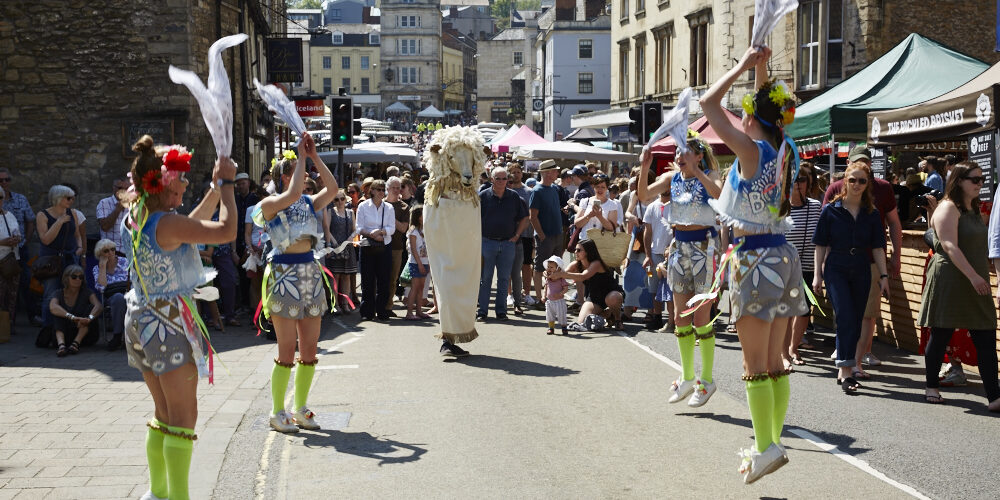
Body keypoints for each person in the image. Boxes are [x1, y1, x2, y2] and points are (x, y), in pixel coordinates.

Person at [700, 46, 809, 483]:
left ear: (750, 119)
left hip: (754, 260)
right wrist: (761, 69)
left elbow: (708, 105)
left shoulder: (750, 151)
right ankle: (770, 441)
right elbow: (765, 100)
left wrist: (741, 68)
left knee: (754, 365)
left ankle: (765, 446)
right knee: (777, 362)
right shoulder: (788, 150)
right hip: (784, 257)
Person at [121, 136, 237, 500]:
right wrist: (229, 188)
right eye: (182, 179)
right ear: (166, 183)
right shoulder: (166, 224)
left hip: (141, 319)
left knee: (164, 414)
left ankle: (157, 494)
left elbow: (187, 225)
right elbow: (226, 232)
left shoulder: (137, 216)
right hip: (168, 325)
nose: (187, 184)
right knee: (184, 420)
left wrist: (215, 191)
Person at [256, 136, 338, 433]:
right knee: (287, 349)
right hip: (283, 276)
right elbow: (290, 194)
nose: (306, 178)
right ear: (286, 176)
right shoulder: (269, 204)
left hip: (310, 273)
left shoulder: (308, 201)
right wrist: (302, 159)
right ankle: (277, 411)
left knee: (310, 350)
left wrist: (314, 156)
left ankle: (301, 408)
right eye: (300, 173)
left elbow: (333, 189)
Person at [637, 131, 723, 407]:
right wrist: (645, 166)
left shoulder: (709, 175)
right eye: (677, 152)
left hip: (705, 249)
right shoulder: (671, 179)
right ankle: (688, 377)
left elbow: (719, 195)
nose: (679, 156)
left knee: (701, 319)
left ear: (698, 155)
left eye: (685, 152)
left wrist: (699, 172)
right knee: (680, 318)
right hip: (679, 250)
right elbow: (643, 194)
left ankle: (707, 379)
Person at [923, 161, 999, 411]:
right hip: (952, 278)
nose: (980, 184)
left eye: (982, 180)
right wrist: (974, 277)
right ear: (959, 181)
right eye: (974, 180)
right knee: (941, 331)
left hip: (974, 277)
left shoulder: (974, 208)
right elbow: (949, 246)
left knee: (986, 334)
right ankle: (931, 386)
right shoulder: (948, 207)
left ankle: (994, 397)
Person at [822, 146, 902, 373]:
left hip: (871, 262)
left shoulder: (883, 189)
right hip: (839, 262)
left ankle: (857, 360)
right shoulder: (835, 188)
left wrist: (896, 255)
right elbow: (825, 232)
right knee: (845, 311)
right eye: (858, 162)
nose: (858, 181)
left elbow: (894, 223)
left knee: (867, 314)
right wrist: (823, 266)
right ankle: (847, 355)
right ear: (848, 164)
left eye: (866, 163)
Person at [812, 162, 889, 392]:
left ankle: (851, 364)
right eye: (852, 180)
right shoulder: (831, 210)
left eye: (862, 181)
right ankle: (846, 370)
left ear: (868, 185)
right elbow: (820, 244)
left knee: (856, 319)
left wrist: (884, 275)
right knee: (845, 315)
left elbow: (877, 248)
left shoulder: (872, 213)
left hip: (861, 267)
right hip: (836, 266)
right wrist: (817, 274)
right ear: (845, 181)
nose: (856, 185)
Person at [477, 166, 530, 321]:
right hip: (487, 242)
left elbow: (525, 218)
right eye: (498, 178)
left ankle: (501, 311)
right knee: (485, 278)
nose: (501, 181)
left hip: (508, 244)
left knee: (504, 278)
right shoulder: (482, 196)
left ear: (508, 180)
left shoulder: (514, 197)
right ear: (492, 179)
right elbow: (473, 219)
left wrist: (517, 235)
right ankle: (482, 311)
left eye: (504, 178)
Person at [783, 167, 822, 367]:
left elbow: (821, 240)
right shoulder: (781, 208)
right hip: (784, 269)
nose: (798, 183)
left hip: (807, 267)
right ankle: (783, 354)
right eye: (793, 180)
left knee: (804, 310)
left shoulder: (815, 207)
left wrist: (819, 271)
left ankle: (794, 348)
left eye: (802, 180)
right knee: (786, 311)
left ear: (809, 183)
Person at [36, 185, 85, 331]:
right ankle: (49, 329)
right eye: (68, 197)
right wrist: (59, 222)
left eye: (72, 197)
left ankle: (69, 328)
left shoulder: (73, 213)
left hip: (70, 258)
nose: (72, 200)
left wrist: (80, 248)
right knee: (51, 294)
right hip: (51, 261)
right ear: (58, 198)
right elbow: (45, 239)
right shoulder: (43, 215)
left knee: (73, 292)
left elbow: (77, 234)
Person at [556, 239, 624, 330]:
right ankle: (607, 314)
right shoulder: (576, 264)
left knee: (613, 298)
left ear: (588, 252)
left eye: (579, 250)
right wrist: (550, 273)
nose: (575, 252)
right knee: (582, 322)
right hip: (594, 297)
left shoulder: (597, 263)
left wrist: (561, 274)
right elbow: (562, 274)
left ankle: (617, 319)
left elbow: (583, 276)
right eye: (575, 250)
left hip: (611, 293)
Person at [355, 179, 395, 321]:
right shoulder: (363, 206)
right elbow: (359, 227)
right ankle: (367, 312)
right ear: (371, 190)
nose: (381, 192)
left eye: (383, 189)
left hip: (384, 245)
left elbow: (392, 228)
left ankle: (382, 310)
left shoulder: (389, 207)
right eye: (378, 189)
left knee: (384, 280)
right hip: (367, 245)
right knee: (367, 280)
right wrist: (371, 234)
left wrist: (382, 232)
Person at [0, 169, 34, 324]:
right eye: (1, 180)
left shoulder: (14, 208)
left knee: (19, 288)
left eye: (7, 179)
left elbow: (28, 222)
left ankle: (13, 323)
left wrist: (21, 239)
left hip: (16, 254)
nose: (4, 183)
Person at [529, 160, 564, 304]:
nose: (557, 173)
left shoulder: (554, 188)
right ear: (548, 172)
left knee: (555, 267)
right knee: (539, 268)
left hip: (557, 234)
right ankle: (539, 298)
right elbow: (533, 217)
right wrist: (542, 236)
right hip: (546, 237)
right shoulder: (537, 191)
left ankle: (550, 295)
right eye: (555, 170)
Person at [50, 265, 101, 356]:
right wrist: (72, 317)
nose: (78, 279)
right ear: (66, 278)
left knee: (90, 309)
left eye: (80, 277)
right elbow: (53, 307)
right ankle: (61, 346)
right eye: (74, 277)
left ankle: (76, 343)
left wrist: (89, 318)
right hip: (65, 332)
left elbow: (98, 306)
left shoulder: (87, 292)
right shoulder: (58, 293)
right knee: (58, 314)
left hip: (85, 335)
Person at [642, 188, 674, 333]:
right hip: (655, 254)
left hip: (674, 253)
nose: (665, 190)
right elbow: (647, 233)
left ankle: (673, 320)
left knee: (673, 288)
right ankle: (657, 316)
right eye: (664, 186)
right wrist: (648, 255)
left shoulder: (677, 205)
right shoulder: (652, 207)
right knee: (653, 286)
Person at [324, 191, 358, 314]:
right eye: (336, 199)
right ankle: (335, 304)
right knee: (335, 276)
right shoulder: (330, 212)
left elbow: (355, 229)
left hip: (347, 247)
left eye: (342, 199)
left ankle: (345, 303)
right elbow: (327, 228)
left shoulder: (350, 212)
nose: (339, 202)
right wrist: (333, 243)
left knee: (347, 275)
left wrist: (350, 238)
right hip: (335, 247)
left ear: (345, 200)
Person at [507, 162, 534, 312]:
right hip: (510, 235)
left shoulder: (528, 191)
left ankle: (527, 293)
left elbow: (531, 214)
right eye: (513, 172)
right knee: (510, 266)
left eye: (518, 172)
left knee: (526, 265)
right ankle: (509, 294)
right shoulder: (505, 190)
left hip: (526, 234)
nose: (516, 174)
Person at [93, 238, 129, 350]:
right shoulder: (97, 268)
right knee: (118, 298)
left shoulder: (125, 262)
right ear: (100, 254)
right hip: (111, 297)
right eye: (106, 251)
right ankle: (117, 336)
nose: (111, 253)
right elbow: (101, 287)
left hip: (128, 292)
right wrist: (103, 267)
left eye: (113, 249)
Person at [384, 176, 410, 315]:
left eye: (398, 187)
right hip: (379, 246)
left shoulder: (404, 207)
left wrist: (389, 216)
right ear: (387, 188)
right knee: (380, 277)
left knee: (393, 279)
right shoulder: (380, 204)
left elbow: (403, 228)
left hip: (396, 247)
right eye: (393, 187)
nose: (396, 190)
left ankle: (388, 306)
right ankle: (379, 305)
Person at [0, 185, 22, 332]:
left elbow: (18, 233)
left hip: (11, 260)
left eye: (0, 197)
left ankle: (8, 326)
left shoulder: (9, 215)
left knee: (11, 295)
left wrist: (16, 239)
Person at [404, 205, 430, 320]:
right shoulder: (413, 231)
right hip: (416, 263)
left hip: (425, 261)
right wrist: (419, 263)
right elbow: (414, 250)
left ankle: (419, 311)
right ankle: (409, 312)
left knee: (421, 287)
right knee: (414, 287)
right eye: (422, 214)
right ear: (417, 217)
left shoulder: (424, 229)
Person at [96, 176, 130, 252]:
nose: (123, 191)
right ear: (113, 188)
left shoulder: (134, 204)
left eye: (126, 188)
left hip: (129, 252)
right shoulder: (104, 203)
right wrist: (118, 209)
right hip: (111, 253)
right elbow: (105, 227)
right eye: (120, 188)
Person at [542, 255, 569, 335]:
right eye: (548, 267)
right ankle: (551, 328)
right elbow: (545, 288)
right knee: (549, 315)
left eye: (552, 267)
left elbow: (566, 288)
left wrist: (560, 294)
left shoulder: (561, 279)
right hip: (550, 301)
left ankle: (564, 327)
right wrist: (544, 296)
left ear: (558, 269)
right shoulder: (548, 278)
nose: (549, 269)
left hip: (559, 301)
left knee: (561, 315)